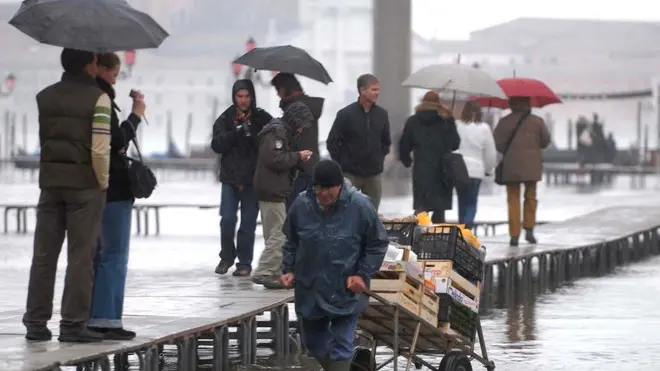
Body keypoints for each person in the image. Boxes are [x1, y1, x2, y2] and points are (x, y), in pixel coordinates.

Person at [23, 49, 111, 343]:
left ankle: (36, 322)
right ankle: (72, 324)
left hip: (50, 185)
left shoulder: (44, 97)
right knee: (80, 257)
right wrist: (102, 182)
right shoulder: (99, 99)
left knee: (44, 256)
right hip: (84, 187)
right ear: (89, 65)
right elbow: (99, 149)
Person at [280, 159, 389, 371]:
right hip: (310, 287)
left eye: (329, 189)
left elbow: (377, 244)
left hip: (346, 288)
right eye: (318, 188)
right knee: (313, 343)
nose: (323, 194)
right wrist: (289, 269)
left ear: (339, 185)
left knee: (342, 343)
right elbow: (291, 242)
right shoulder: (302, 205)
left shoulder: (360, 206)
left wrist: (362, 273)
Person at [87, 52, 146, 340]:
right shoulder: (101, 100)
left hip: (93, 187)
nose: (115, 78)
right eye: (114, 73)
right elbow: (116, 140)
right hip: (114, 187)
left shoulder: (87, 97)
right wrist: (135, 114)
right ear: (100, 69)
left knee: (98, 255)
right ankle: (107, 319)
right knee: (114, 255)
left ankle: (93, 314)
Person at [211, 79, 272, 277]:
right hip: (230, 178)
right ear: (234, 97)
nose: (243, 100)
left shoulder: (262, 118)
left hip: (252, 179)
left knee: (248, 224)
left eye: (247, 96)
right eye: (240, 96)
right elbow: (216, 144)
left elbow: (274, 136)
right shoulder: (226, 118)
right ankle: (226, 256)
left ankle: (244, 263)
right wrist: (235, 132)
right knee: (227, 219)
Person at [252, 102, 314, 289]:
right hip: (272, 189)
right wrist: (298, 156)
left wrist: (298, 159)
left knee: (273, 233)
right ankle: (265, 271)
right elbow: (274, 159)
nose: (303, 128)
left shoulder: (283, 132)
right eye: (302, 123)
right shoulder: (276, 133)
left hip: (273, 188)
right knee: (279, 233)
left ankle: (273, 272)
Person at [326, 74, 391, 210]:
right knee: (345, 210)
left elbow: (386, 141)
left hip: (373, 173)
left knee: (371, 213)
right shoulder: (345, 114)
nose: (377, 93)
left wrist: (378, 158)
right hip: (350, 174)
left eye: (378, 89)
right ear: (362, 91)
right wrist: (342, 163)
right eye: (373, 90)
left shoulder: (382, 114)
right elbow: (332, 142)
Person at [493, 97, 551, 246]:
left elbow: (498, 145)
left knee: (513, 199)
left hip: (511, 165)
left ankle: (514, 235)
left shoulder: (504, 122)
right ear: (528, 103)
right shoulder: (537, 121)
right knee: (531, 196)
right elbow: (546, 142)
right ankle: (529, 230)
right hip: (532, 165)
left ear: (511, 104)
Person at [398, 91, 460, 223]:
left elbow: (404, 145)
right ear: (438, 104)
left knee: (421, 208)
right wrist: (450, 121)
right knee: (439, 209)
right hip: (442, 171)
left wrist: (407, 161)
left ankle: (419, 238)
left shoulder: (413, 121)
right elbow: (455, 144)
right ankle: (438, 240)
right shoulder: (445, 121)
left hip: (421, 169)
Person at [270, 73, 324, 211]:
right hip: (312, 164)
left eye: (278, 91)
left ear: (283, 89)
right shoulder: (310, 106)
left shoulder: (294, 109)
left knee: (292, 213)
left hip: (297, 168)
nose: (278, 95)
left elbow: (290, 138)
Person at [455, 100, 497, 229]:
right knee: (472, 201)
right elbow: (490, 152)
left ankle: (462, 227)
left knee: (462, 200)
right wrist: (489, 169)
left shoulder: (456, 125)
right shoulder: (484, 128)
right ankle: (468, 225)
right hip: (476, 170)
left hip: (459, 168)